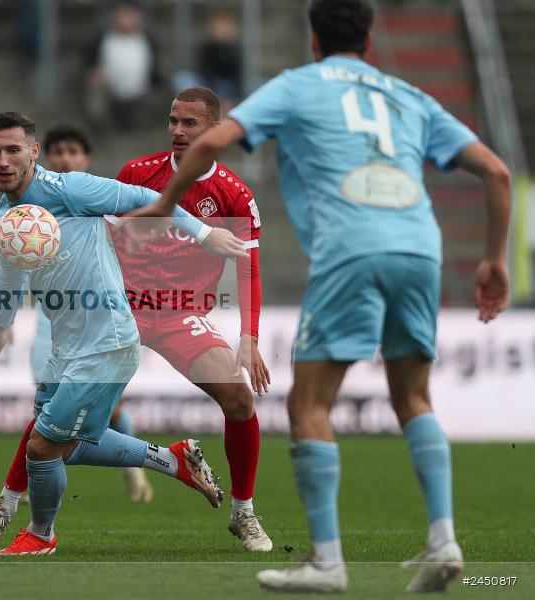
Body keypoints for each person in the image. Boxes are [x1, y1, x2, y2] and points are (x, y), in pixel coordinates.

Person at [127, 0, 511, 593]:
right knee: (414, 398)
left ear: (313, 41)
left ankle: (326, 562)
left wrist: (163, 202)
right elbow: (497, 172)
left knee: (308, 407)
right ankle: (444, 539)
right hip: (420, 250)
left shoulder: (297, 87)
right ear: (371, 41)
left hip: (350, 251)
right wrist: (494, 258)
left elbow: (210, 148)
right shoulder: (408, 96)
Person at [0, 91, 274, 554]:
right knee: (55, 431)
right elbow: (91, 234)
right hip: (120, 305)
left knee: (236, 394)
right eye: (172, 120)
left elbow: (248, 267)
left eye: (189, 123)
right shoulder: (135, 170)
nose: (177, 130)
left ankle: (244, 513)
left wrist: (248, 335)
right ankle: (10, 508)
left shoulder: (234, 195)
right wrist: (4, 319)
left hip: (176, 312)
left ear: (214, 130)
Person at [84, 3, 161, 131]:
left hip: (141, 93)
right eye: (123, 16)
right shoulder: (102, 40)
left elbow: (156, 68)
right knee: (95, 95)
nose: (126, 21)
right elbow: (89, 64)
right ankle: (104, 131)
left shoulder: (148, 40)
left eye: (129, 17)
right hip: (110, 91)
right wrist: (94, 74)